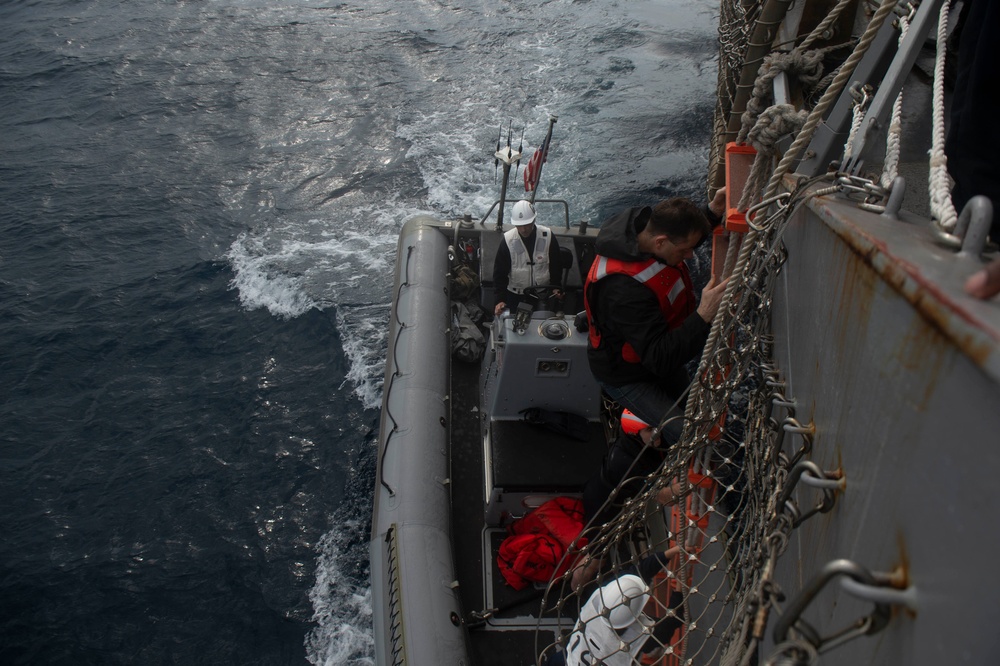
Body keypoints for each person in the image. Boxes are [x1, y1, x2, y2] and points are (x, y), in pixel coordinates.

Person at [583, 190, 729, 432]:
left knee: (690, 403)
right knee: (685, 432)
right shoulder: (622, 291)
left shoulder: (645, 235)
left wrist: (711, 212)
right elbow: (659, 359)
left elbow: (679, 237)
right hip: (626, 375)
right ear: (660, 242)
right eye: (684, 251)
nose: (690, 255)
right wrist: (703, 314)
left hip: (656, 347)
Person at [545, 551, 685, 666]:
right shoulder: (637, 637)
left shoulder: (599, 600)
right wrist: (679, 589)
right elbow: (670, 623)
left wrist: (672, 552)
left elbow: (638, 571)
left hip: (565, 661)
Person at [493, 199, 563, 316]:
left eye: (526, 224)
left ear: (534, 220)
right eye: (520, 225)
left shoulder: (548, 236)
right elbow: (499, 273)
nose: (523, 229)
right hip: (515, 296)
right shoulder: (508, 240)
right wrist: (500, 299)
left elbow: (556, 265)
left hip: (542, 294)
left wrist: (556, 287)